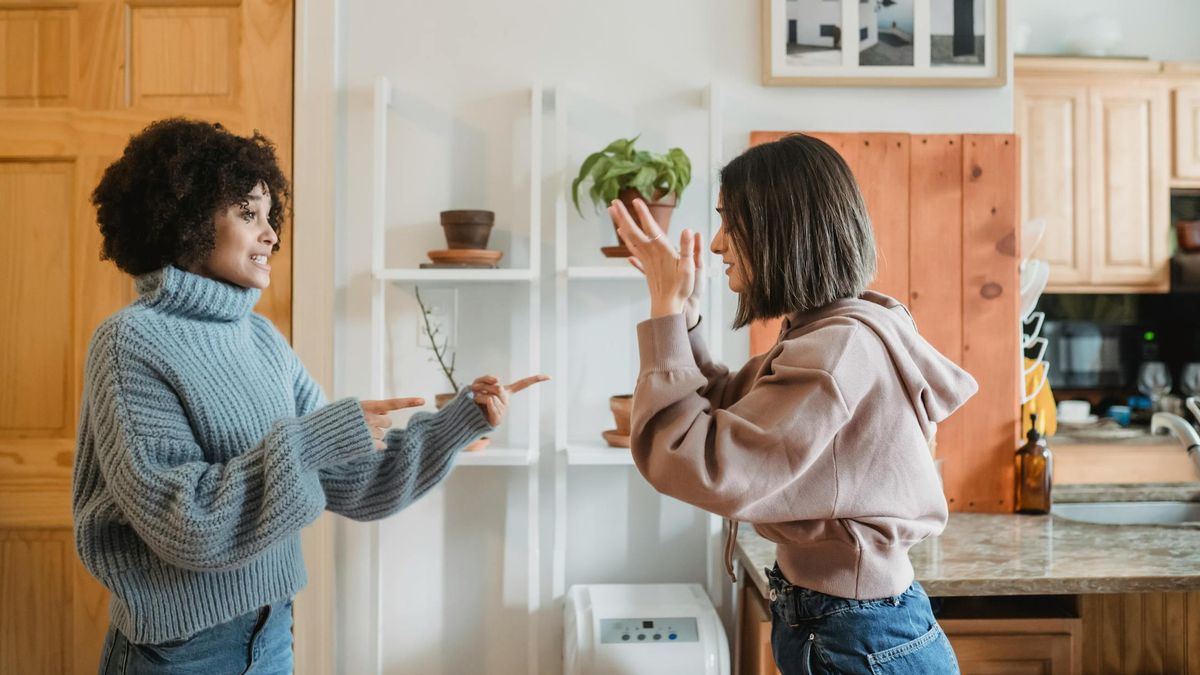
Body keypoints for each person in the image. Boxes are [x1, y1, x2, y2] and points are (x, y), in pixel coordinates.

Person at [73, 118, 546, 674]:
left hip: (272, 635)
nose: (271, 234)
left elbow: (354, 478)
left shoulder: (263, 340)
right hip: (180, 654)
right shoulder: (130, 343)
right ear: (187, 222)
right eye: (248, 215)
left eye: (270, 216)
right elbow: (187, 523)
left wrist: (458, 423)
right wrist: (314, 440)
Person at [612, 133, 976, 674]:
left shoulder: (836, 349)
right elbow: (729, 407)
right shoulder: (833, 333)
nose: (716, 244)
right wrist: (683, 316)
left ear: (782, 228)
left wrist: (664, 314)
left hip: (855, 631)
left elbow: (698, 460)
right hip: (853, 623)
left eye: (730, 221)